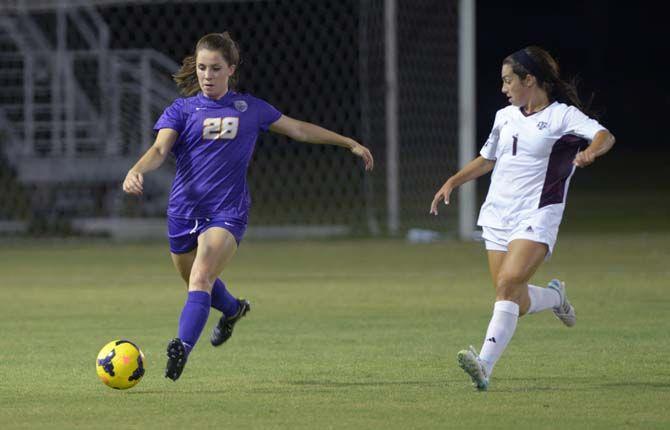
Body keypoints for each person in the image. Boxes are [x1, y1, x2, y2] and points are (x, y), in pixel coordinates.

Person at [122, 32, 373, 381]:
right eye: (202, 68)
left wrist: (348, 142)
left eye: (215, 68)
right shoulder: (181, 110)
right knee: (198, 285)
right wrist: (136, 169)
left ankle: (181, 347)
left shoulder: (250, 108)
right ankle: (234, 309)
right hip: (183, 212)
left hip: (227, 212)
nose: (207, 76)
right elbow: (160, 150)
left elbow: (298, 129)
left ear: (231, 70)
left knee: (201, 276)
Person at [429, 46, 615, 391]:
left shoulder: (562, 116)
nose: (504, 88)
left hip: (538, 213)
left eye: (508, 80)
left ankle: (483, 365)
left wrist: (590, 151)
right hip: (499, 214)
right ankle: (556, 297)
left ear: (530, 80)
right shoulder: (505, 116)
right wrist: (453, 181)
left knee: (507, 286)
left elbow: (605, 135)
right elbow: (488, 159)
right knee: (513, 295)